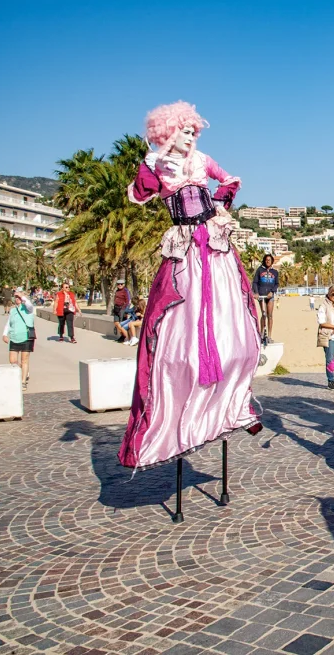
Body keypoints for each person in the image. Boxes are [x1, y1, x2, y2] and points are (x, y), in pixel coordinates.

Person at [118, 100, 261, 471]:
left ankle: (233, 402)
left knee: (228, 310)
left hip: (212, 242)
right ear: (167, 132)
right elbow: (138, 195)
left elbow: (230, 180)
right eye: (185, 131)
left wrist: (217, 205)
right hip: (184, 244)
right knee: (180, 314)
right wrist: (150, 165)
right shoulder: (157, 163)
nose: (191, 137)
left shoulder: (204, 160)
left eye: (194, 131)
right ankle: (180, 404)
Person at [2, 290, 35, 390]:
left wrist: (22, 296)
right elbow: (9, 323)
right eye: (16, 297)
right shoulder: (12, 310)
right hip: (14, 337)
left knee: (24, 360)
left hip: (26, 337)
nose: (17, 299)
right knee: (13, 361)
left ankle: (23, 381)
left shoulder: (28, 309)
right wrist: (4, 334)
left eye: (19, 297)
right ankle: (23, 371)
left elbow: (29, 305)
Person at [252, 254, 279, 341]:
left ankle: (270, 336)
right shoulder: (260, 270)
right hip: (261, 295)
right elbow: (255, 282)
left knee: (270, 315)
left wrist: (272, 291)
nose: (268, 261)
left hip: (270, 296)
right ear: (264, 260)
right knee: (264, 314)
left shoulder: (275, 272)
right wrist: (256, 293)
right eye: (266, 260)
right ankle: (262, 334)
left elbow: (277, 284)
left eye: (269, 260)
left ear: (272, 261)